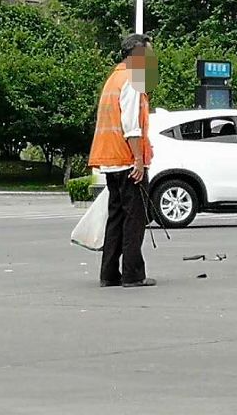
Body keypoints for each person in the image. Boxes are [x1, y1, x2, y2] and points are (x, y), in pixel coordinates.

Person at [88, 33, 158, 288]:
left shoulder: (113, 78)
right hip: (127, 160)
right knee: (134, 219)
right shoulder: (132, 80)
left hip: (110, 159)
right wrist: (138, 161)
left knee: (116, 217)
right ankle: (132, 274)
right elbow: (131, 125)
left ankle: (108, 274)